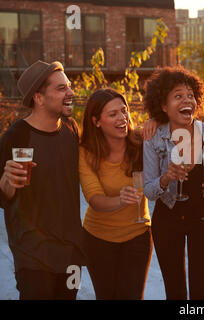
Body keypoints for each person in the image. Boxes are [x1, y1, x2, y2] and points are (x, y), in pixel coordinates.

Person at [0, 60, 85, 299]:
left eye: (68, 86)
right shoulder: (15, 136)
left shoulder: (71, 128)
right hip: (32, 255)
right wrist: (7, 182)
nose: (71, 93)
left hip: (71, 253)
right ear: (38, 98)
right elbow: (3, 194)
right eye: (61, 88)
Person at [143, 66, 204, 300]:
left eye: (190, 96)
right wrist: (166, 177)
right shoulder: (154, 137)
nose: (187, 100)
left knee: (200, 292)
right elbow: (149, 190)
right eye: (178, 96)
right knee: (174, 290)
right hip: (167, 219)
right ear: (163, 106)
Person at [79, 88, 152, 300]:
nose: (122, 118)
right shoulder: (85, 152)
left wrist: (155, 121)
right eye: (113, 114)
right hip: (97, 239)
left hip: (137, 236)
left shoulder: (141, 142)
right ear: (96, 121)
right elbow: (94, 200)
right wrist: (120, 200)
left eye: (124, 110)